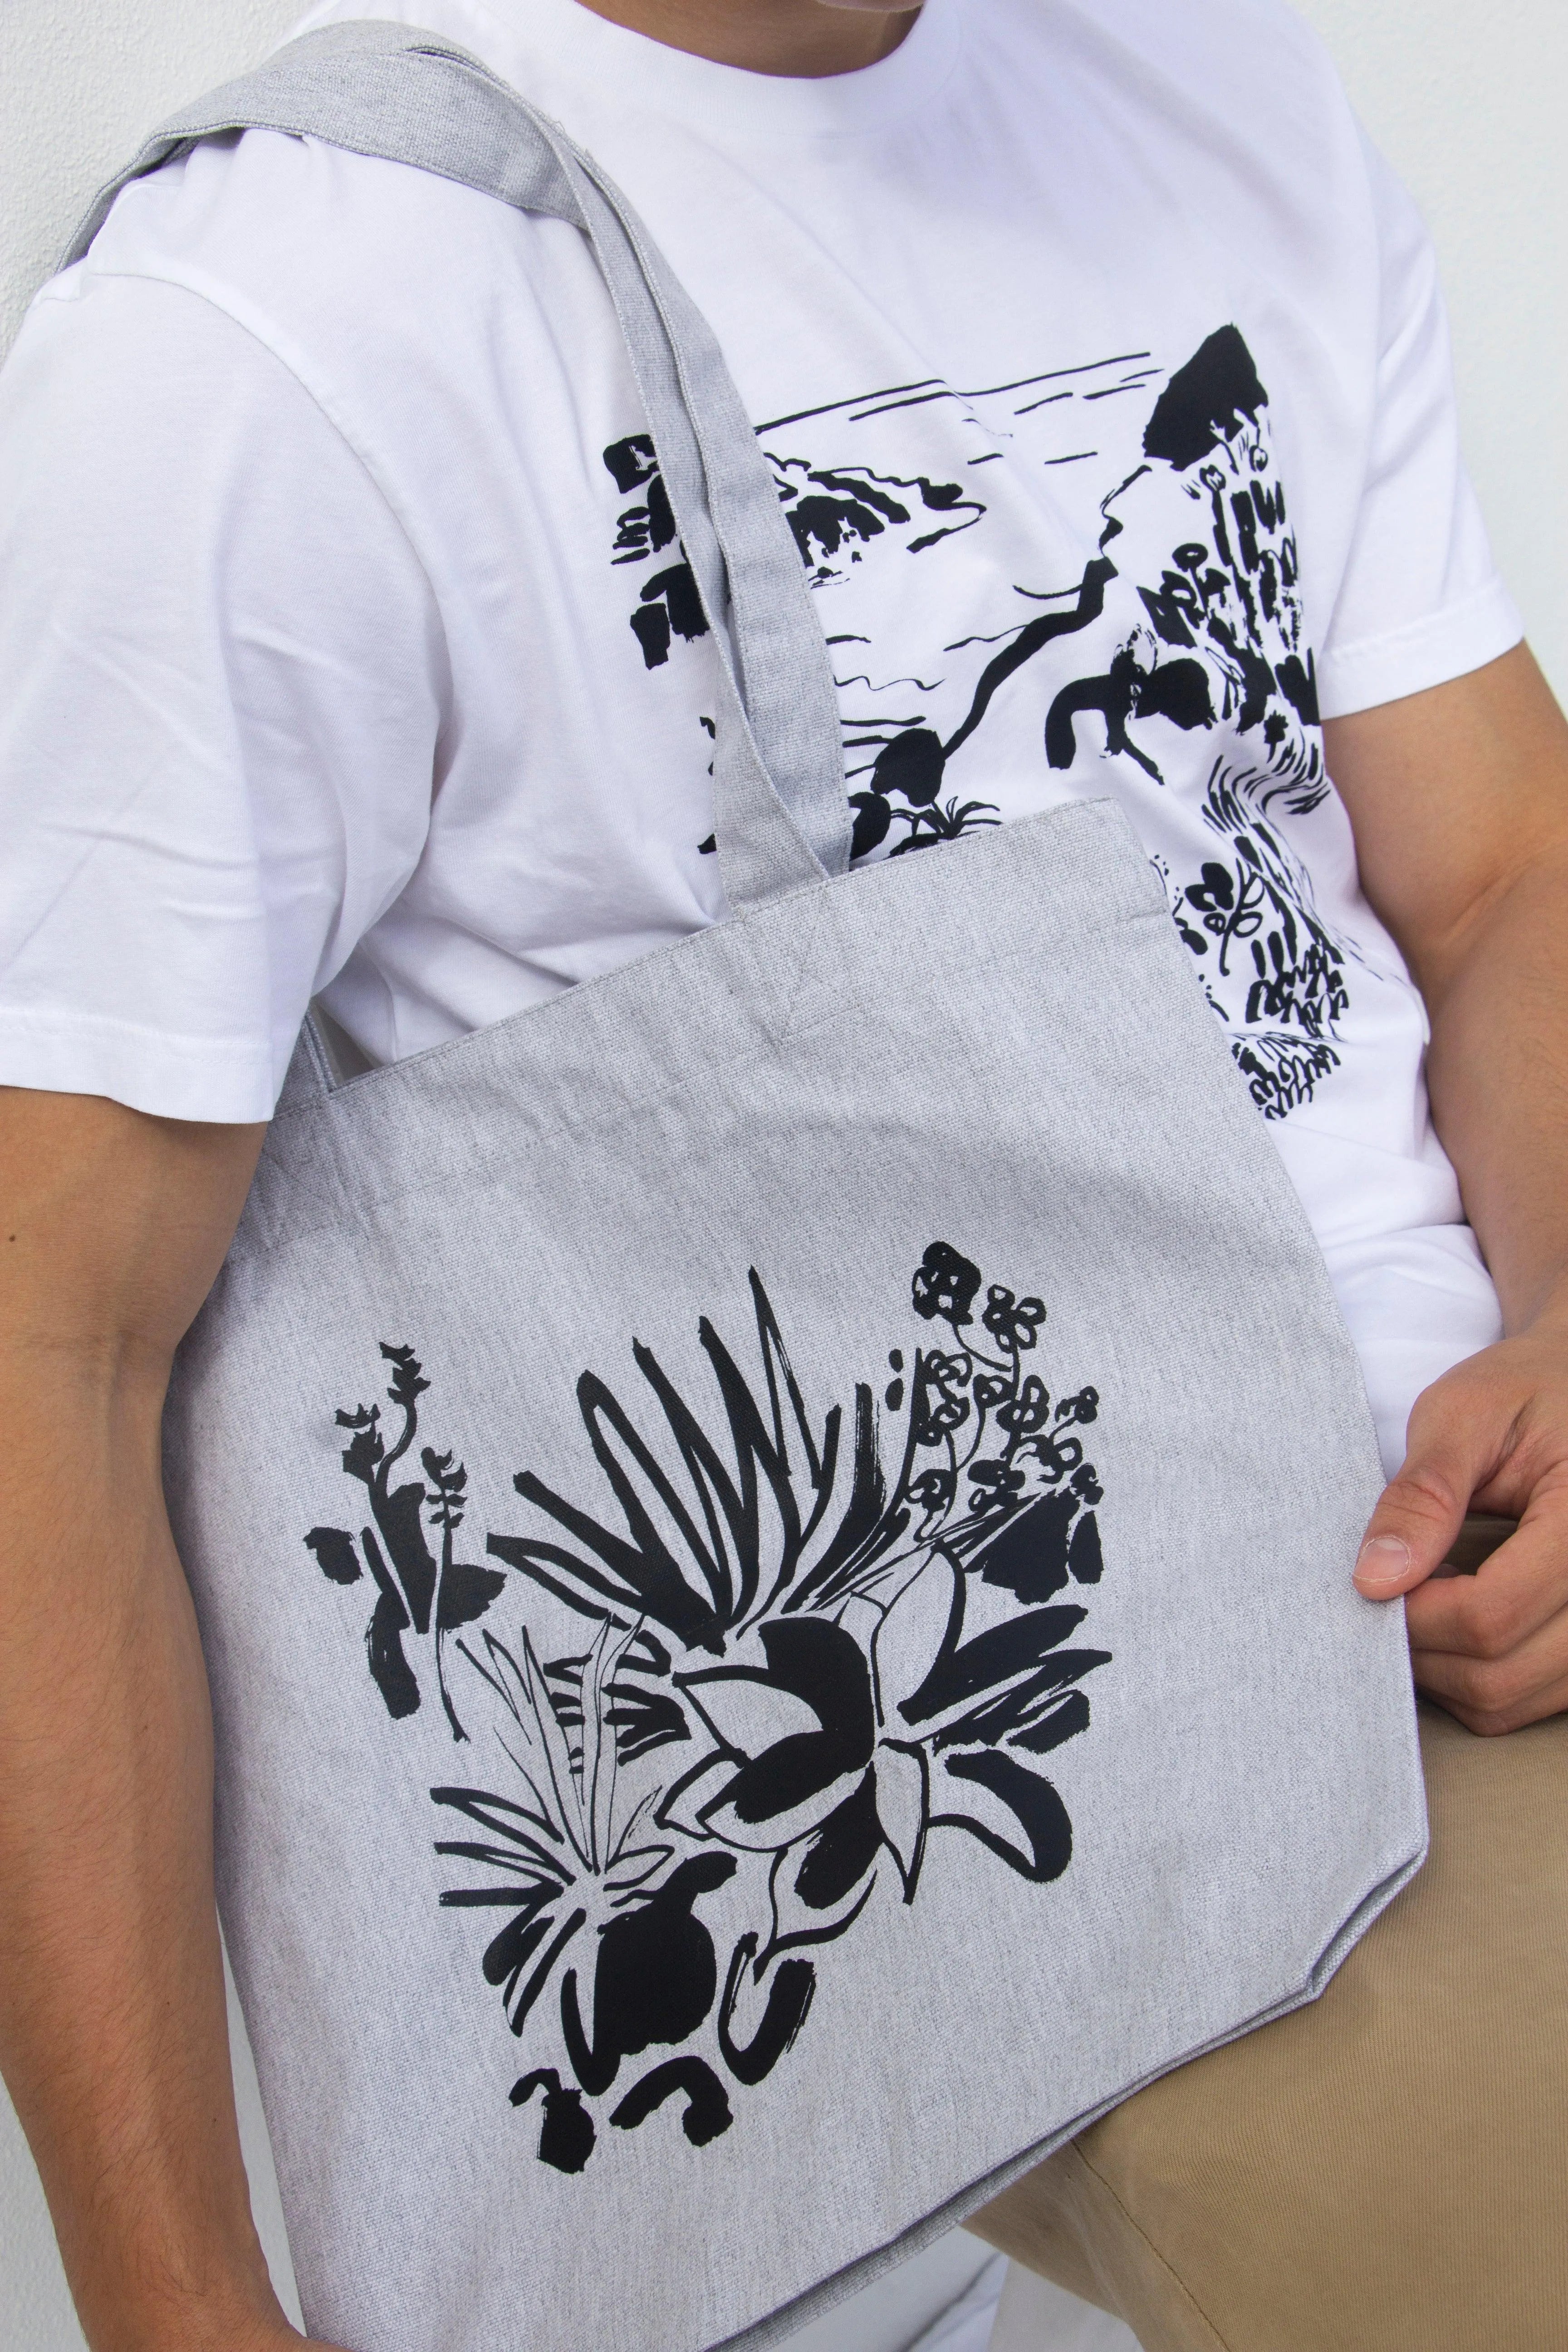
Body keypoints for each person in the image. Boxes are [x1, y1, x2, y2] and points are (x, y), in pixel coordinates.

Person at [0, 0, 1564, 2347]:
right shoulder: (273, 319)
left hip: (1451, 1571)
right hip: (1039, 1765)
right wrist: (177, 2306)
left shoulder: (1218, 85)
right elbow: (44, 1343)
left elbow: (1504, 866)